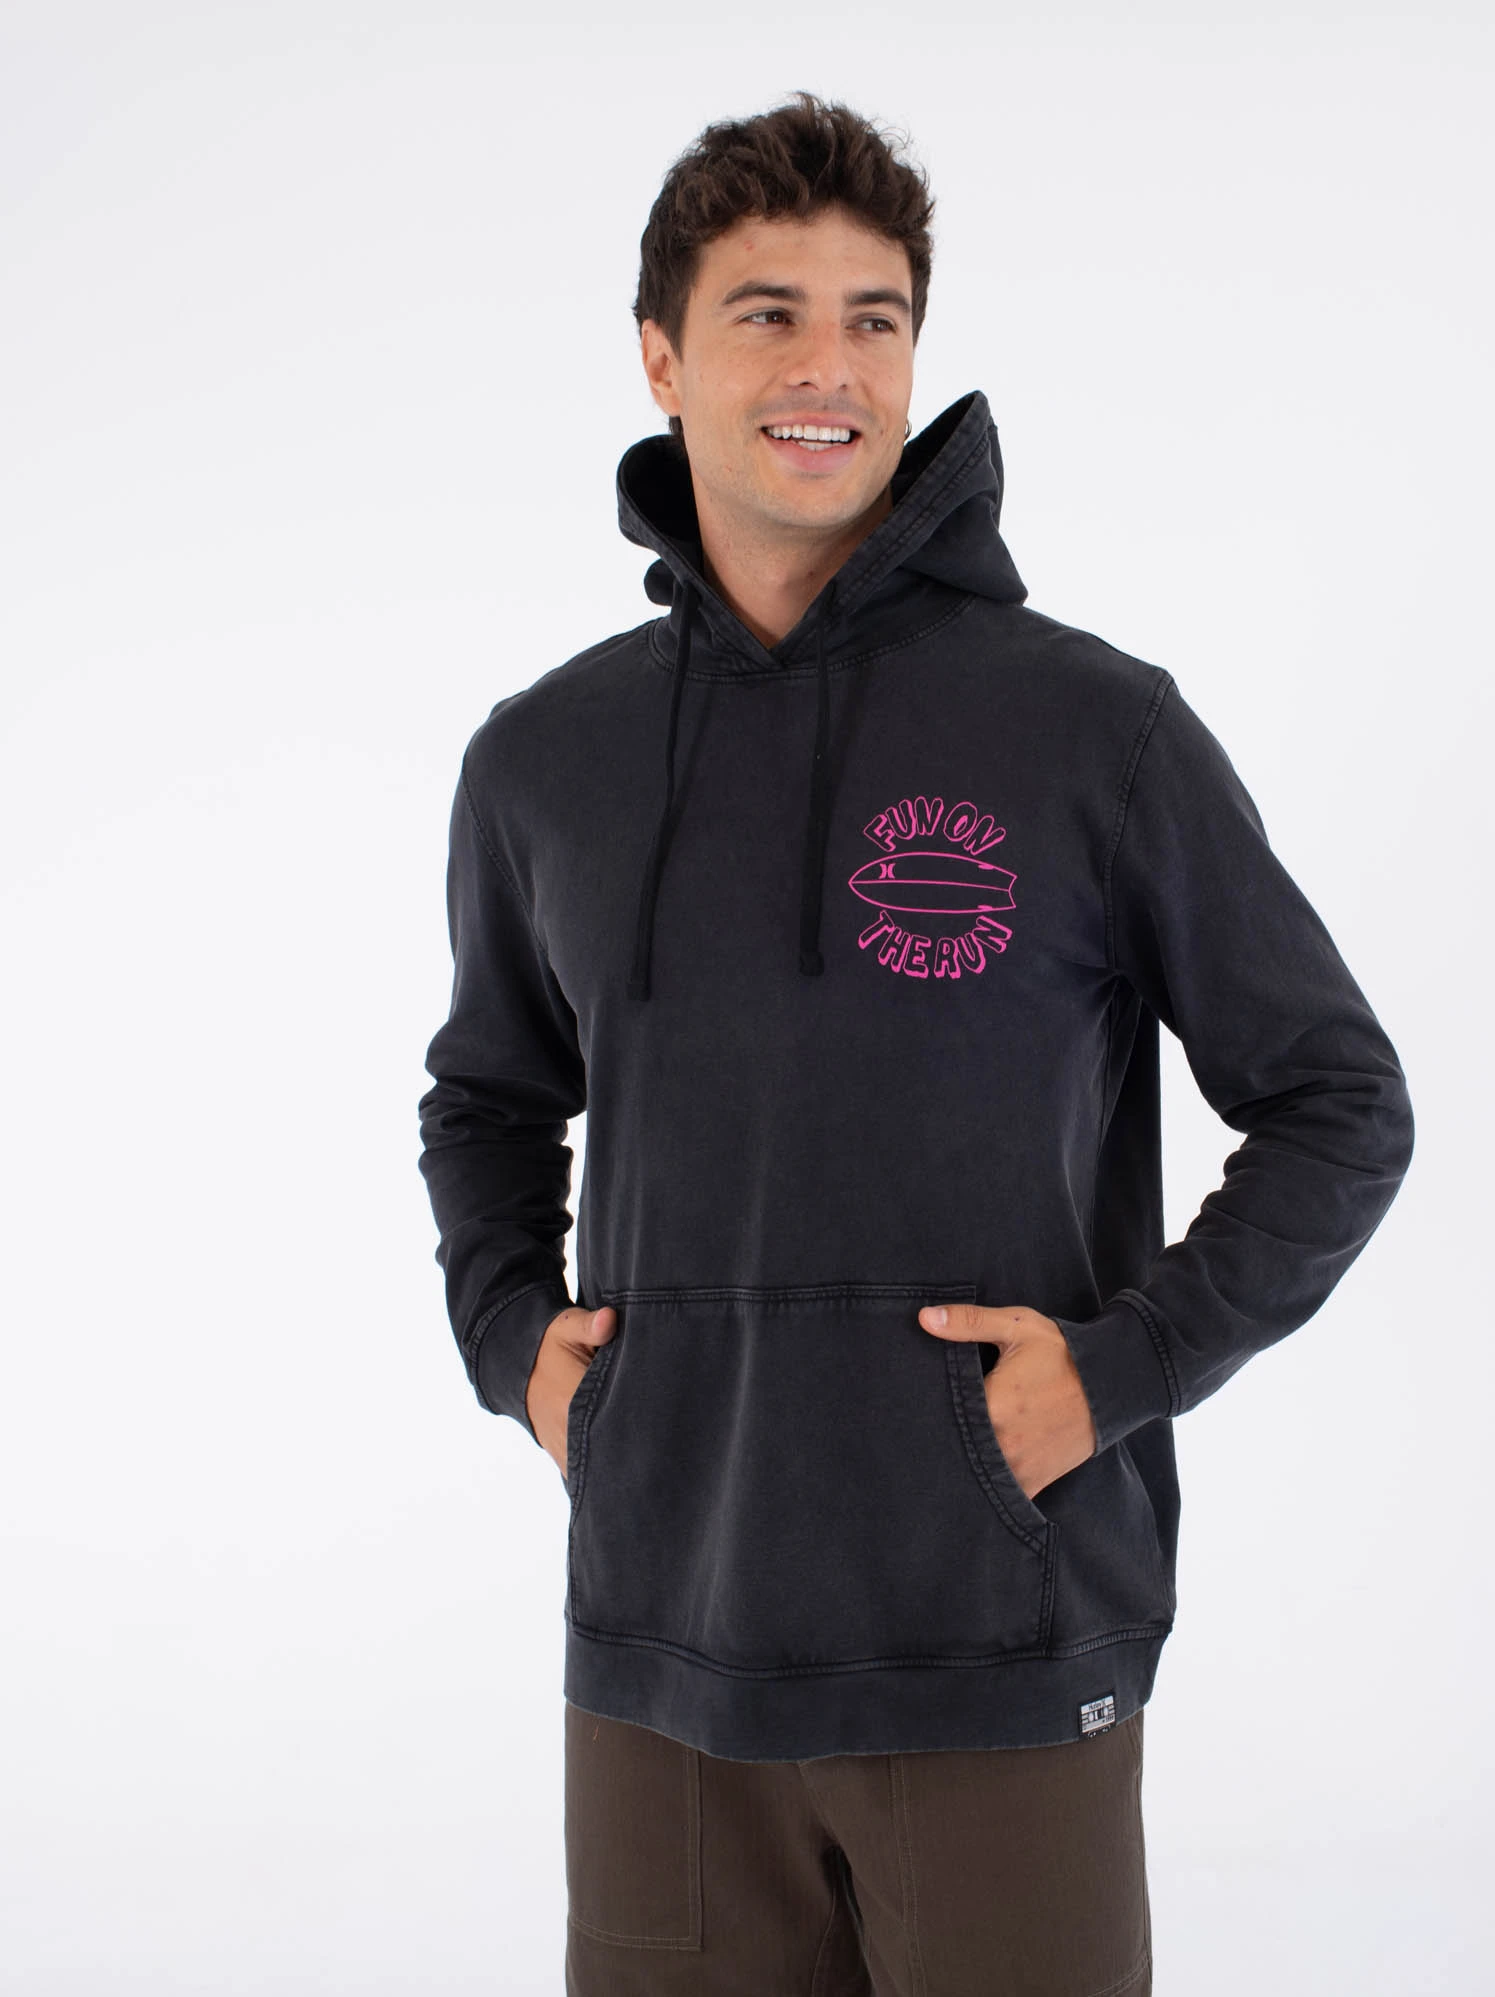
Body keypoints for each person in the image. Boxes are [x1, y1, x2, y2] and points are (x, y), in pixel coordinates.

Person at [416, 89, 1415, 1997]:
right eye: (769, 314)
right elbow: (485, 1098)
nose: (830, 368)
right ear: (661, 359)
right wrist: (512, 1346)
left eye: (873, 319)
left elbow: (1338, 1102)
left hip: (998, 1649)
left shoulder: (1093, 732)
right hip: (658, 1662)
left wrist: (1119, 1373)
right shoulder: (546, 760)